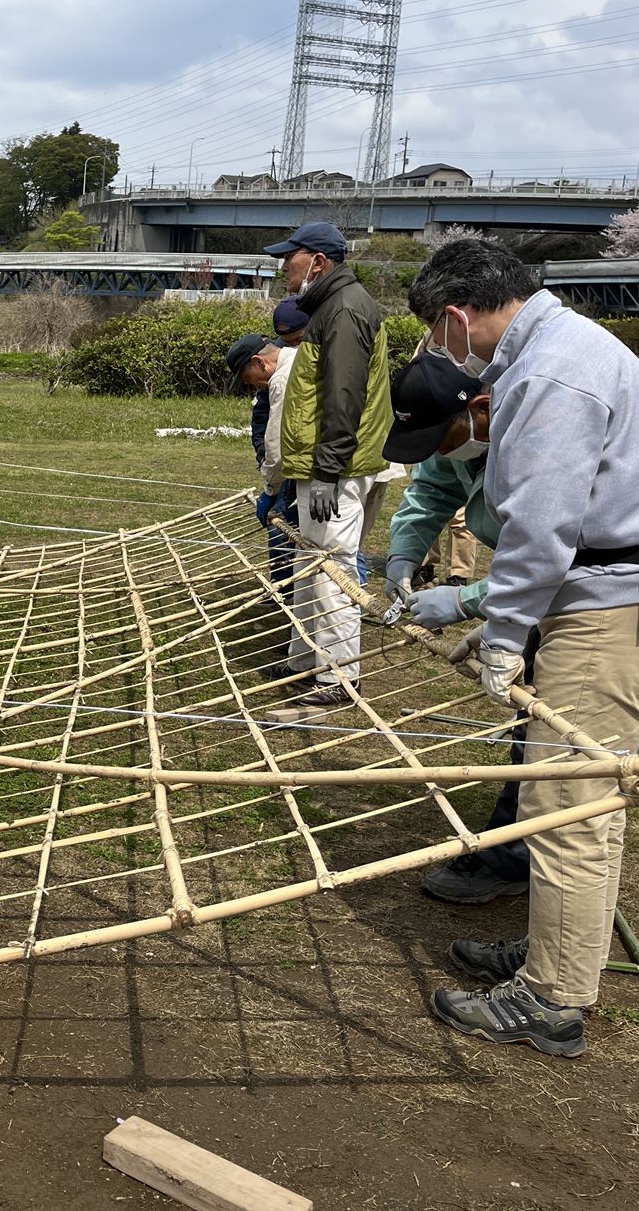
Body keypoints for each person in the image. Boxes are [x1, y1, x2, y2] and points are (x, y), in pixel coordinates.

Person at [407, 238, 639, 1058]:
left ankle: (552, 999)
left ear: (457, 317)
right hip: (618, 593)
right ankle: (561, 948)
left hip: (620, 603)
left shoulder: (550, 374)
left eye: (434, 335)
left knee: (567, 802)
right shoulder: (562, 350)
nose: (441, 353)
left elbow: (543, 526)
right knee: (577, 795)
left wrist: (500, 629)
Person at [380, 351, 529, 906]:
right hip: (553, 592)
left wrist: (470, 600)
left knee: (554, 738)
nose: (440, 450)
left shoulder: (533, 440)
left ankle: (516, 859)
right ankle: (516, 852)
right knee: (532, 730)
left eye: (443, 437)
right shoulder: (461, 439)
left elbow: (556, 558)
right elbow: (431, 491)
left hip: (614, 590)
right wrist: (403, 556)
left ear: (481, 409)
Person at [261, 221, 393, 716]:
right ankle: (306, 660)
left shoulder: (344, 308)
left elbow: (344, 393)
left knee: (332, 566)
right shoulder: (331, 307)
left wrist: (331, 469)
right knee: (309, 560)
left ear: (318, 261)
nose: (284, 267)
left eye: (289, 258)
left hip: (334, 465)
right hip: (320, 464)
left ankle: (339, 676)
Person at [225, 334, 297, 597]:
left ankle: (288, 592)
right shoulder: (298, 361)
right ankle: (289, 591)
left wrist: (270, 491)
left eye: (249, 379)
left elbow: (277, 444)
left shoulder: (281, 379)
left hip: (312, 469)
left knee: (290, 526)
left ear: (259, 361)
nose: (254, 385)